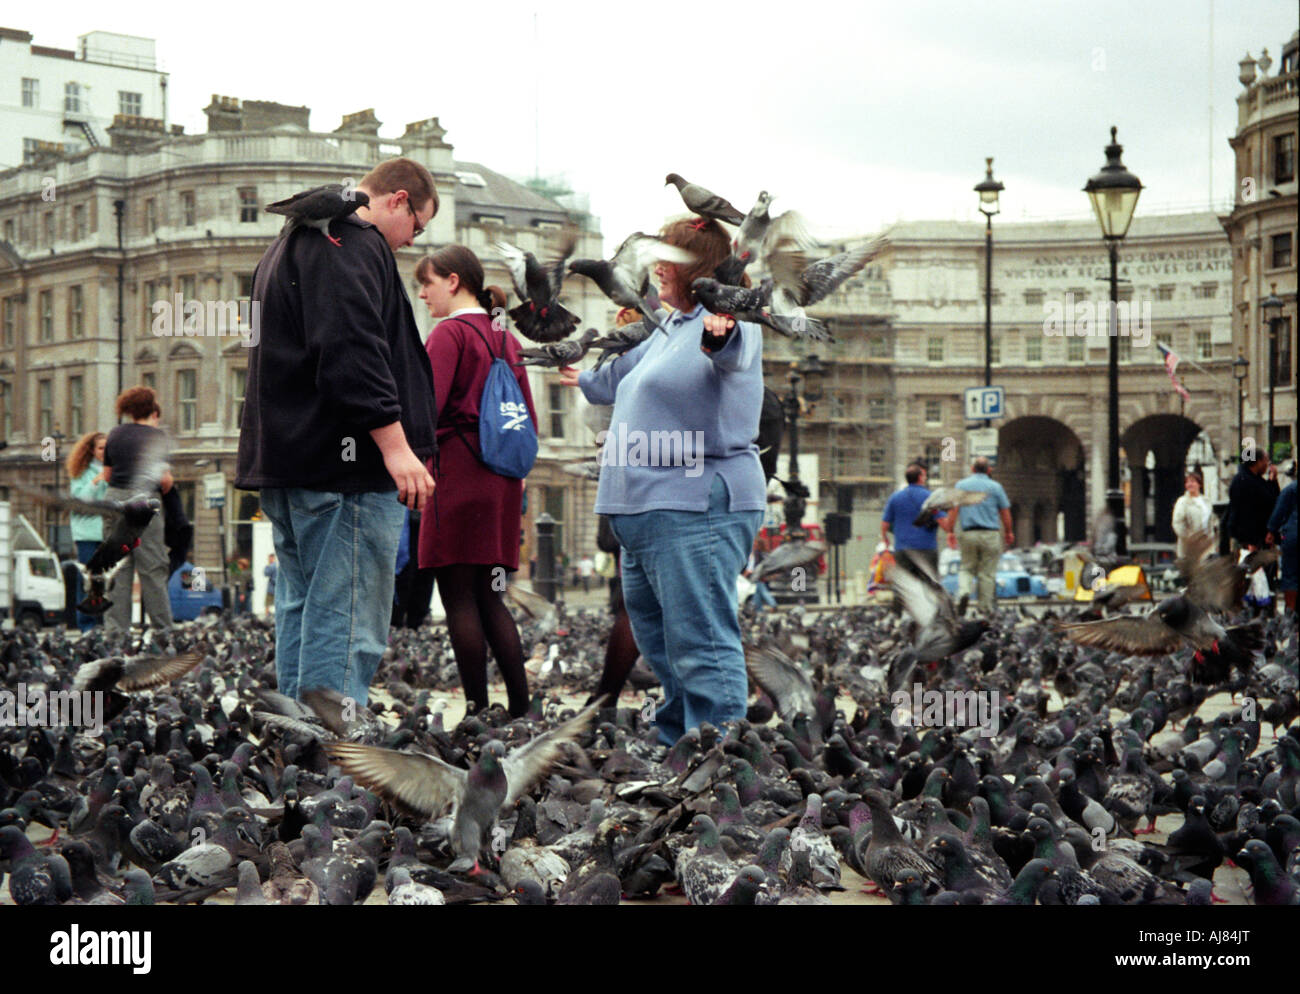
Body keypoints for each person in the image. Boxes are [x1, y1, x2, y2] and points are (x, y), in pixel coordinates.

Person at [236, 157, 439, 705]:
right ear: (397, 199)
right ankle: (333, 758)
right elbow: (350, 349)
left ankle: (299, 747)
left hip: (292, 460)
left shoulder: (287, 245)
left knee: (305, 606)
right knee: (349, 616)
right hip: (344, 469)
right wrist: (397, 450)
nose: (412, 241)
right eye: (417, 227)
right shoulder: (350, 241)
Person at [561, 216, 765, 746]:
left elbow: (732, 348)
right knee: (660, 642)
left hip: (696, 504)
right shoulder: (665, 327)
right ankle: (681, 741)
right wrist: (574, 374)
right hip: (643, 513)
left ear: (696, 268)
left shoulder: (719, 323)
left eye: (665, 255)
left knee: (700, 641)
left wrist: (723, 331)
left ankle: (723, 758)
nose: (654, 264)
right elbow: (614, 381)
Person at [415, 245, 536, 717]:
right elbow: (527, 418)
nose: (422, 293)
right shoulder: (508, 339)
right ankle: (523, 708)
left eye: (427, 283)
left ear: (452, 281)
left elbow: (428, 411)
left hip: (457, 472)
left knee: (458, 597)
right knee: (491, 597)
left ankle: (477, 710)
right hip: (502, 478)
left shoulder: (448, 335)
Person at [100, 387, 174, 631]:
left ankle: (114, 636)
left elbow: (108, 475)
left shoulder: (114, 434)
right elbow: (164, 480)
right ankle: (164, 633)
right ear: (151, 409)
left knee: (118, 569)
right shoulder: (156, 437)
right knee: (153, 568)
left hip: (115, 499)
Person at [950, 457, 1013, 613]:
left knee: (966, 568)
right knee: (987, 573)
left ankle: (964, 591)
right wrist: (1009, 532)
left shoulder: (961, 485)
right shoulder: (996, 487)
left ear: (972, 469)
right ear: (989, 470)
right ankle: (985, 608)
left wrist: (950, 530)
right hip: (990, 534)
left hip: (968, 533)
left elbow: (953, 510)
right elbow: (1005, 513)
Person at [66, 431, 107, 632]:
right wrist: (96, 481)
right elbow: (79, 500)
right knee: (89, 582)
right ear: (91, 450)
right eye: (100, 448)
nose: (104, 452)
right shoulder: (81, 472)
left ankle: (105, 625)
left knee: (108, 583)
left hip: (108, 534)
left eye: (107, 448)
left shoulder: (113, 470)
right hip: (88, 535)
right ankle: (87, 627)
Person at [880, 463, 946, 576]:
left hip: (903, 551)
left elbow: (885, 524)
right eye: (924, 476)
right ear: (920, 478)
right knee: (928, 586)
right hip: (926, 549)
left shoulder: (895, 498)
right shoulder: (931, 497)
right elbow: (944, 524)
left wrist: (885, 539)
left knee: (906, 588)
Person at [1227, 452, 1280, 552]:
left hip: (1261, 536)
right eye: (1266, 461)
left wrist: (1272, 481)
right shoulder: (1243, 481)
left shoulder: (1256, 479)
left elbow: (1272, 500)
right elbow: (1245, 512)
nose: (1267, 465)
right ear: (1259, 462)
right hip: (1251, 539)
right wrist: (1251, 541)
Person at [1267, 472, 1297, 613]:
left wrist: (1271, 531)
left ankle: (1290, 611)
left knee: (1290, 575)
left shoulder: (1291, 488)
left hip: (1292, 536)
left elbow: (1278, 512)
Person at [1171, 471, 1214, 562]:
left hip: (1206, 546)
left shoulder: (1206, 501)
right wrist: (1189, 538)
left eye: (1192, 481)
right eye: (1187, 482)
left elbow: (1211, 521)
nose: (1189, 484)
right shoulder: (1182, 501)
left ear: (1199, 484)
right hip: (1189, 548)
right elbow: (1177, 523)